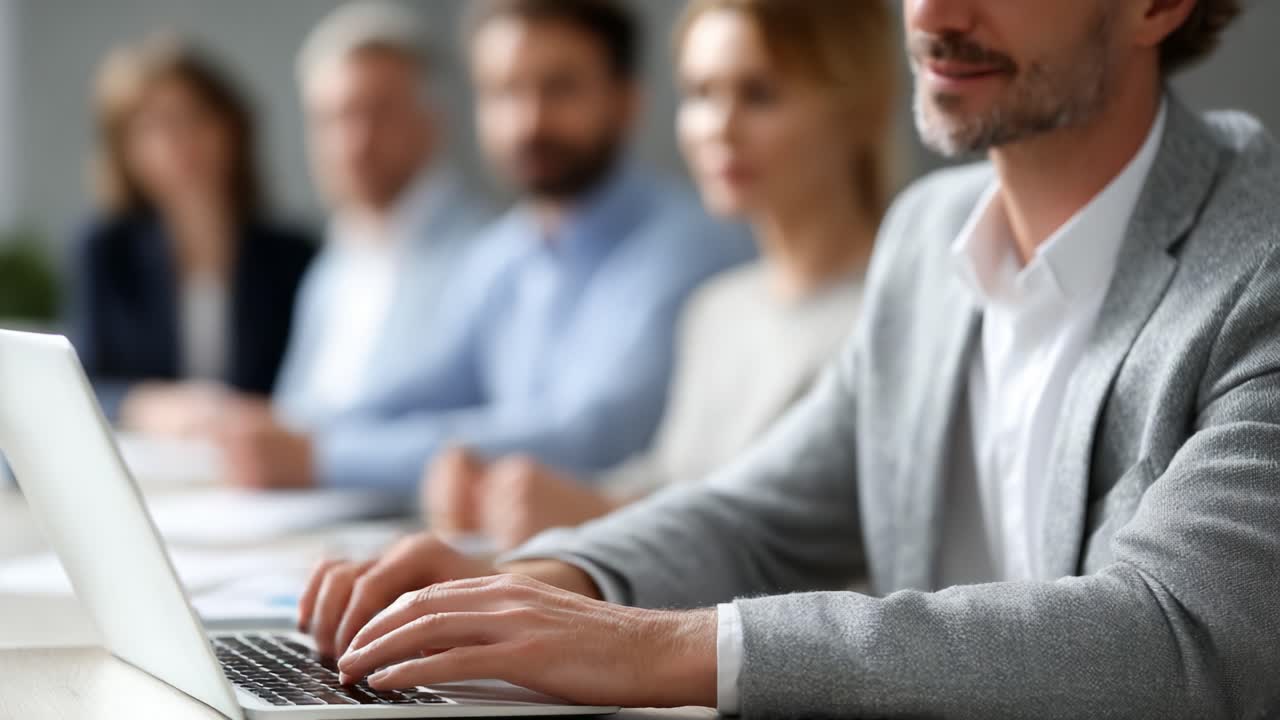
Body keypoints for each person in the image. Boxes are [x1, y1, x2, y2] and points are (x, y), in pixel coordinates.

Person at [300, 0, 1280, 715]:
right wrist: (538, 583)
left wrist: (672, 650)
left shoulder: (1259, 263)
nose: (931, 14)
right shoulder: (925, 240)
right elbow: (758, 513)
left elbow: (1178, 638)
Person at [217, 0, 754, 492]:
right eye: (504, 91)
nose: (529, 121)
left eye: (559, 88)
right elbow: (436, 386)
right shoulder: (502, 255)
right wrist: (295, 428)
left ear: (626, 101)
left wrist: (327, 456)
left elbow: (594, 435)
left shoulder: (688, 247)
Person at [424, 0, 896, 551]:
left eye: (760, 93)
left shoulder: (885, 317)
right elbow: (673, 478)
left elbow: (807, 545)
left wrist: (598, 511)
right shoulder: (719, 308)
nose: (719, 127)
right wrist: (515, 492)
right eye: (699, 94)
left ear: (858, 109)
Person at [215, 2, 492, 484]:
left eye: (377, 113)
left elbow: (462, 423)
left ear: (432, 120)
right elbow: (295, 412)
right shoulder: (332, 264)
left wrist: (315, 450)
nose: (353, 142)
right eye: (331, 119)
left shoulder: (485, 255)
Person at [68, 34, 315, 434]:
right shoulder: (105, 251)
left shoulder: (292, 255)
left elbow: (309, 385)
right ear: (124, 151)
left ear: (232, 128)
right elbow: (84, 385)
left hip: (256, 470)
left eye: (194, 118)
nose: (178, 143)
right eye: (153, 127)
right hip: (150, 466)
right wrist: (146, 404)